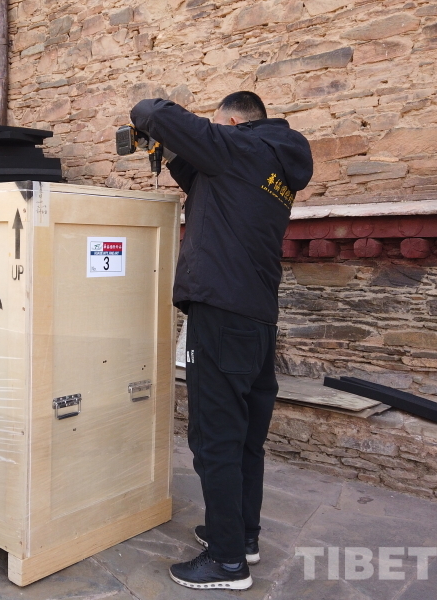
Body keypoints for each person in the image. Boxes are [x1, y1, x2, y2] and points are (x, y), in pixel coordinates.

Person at [131, 92, 313, 590]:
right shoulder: (271, 163)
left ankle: (227, 562)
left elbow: (152, 111)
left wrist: (157, 125)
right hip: (256, 319)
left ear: (231, 123)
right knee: (245, 438)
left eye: (217, 128)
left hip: (222, 315)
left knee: (215, 438)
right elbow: (205, 181)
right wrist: (172, 152)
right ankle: (241, 536)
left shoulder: (238, 146)